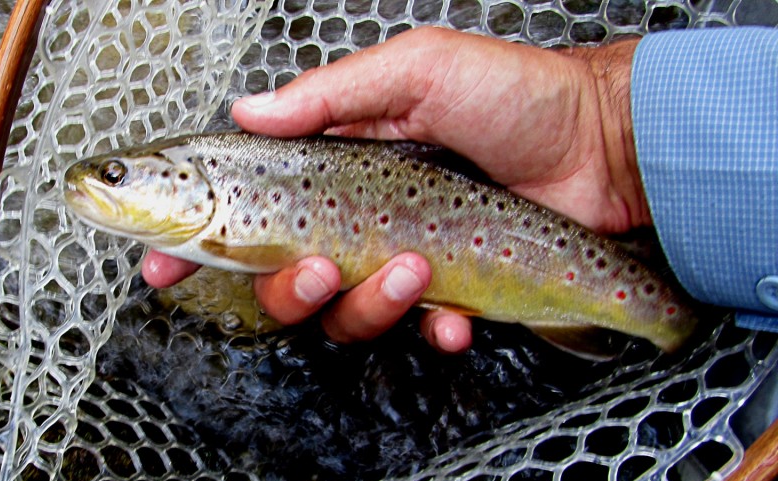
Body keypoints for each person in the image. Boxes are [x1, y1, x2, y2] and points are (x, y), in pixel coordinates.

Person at [141, 26, 778, 352]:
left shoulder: (228, 191)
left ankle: (674, 323)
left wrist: (604, 127)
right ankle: (674, 321)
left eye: (118, 177)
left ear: (189, 183)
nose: (101, 185)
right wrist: (604, 128)